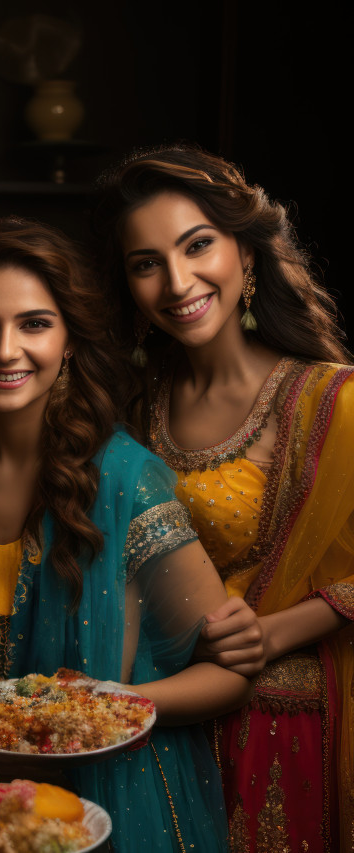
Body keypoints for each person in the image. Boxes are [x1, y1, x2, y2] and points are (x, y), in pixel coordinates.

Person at [0, 218, 254, 853]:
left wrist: (99, 709)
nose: (5, 350)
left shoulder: (124, 481)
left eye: (34, 324)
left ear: (69, 341)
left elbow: (229, 673)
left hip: (106, 797)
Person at [95, 144, 354, 853]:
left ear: (247, 253)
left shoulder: (331, 401)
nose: (177, 281)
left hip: (288, 722)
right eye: (146, 263)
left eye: (197, 245)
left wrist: (273, 631)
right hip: (160, 716)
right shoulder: (131, 407)